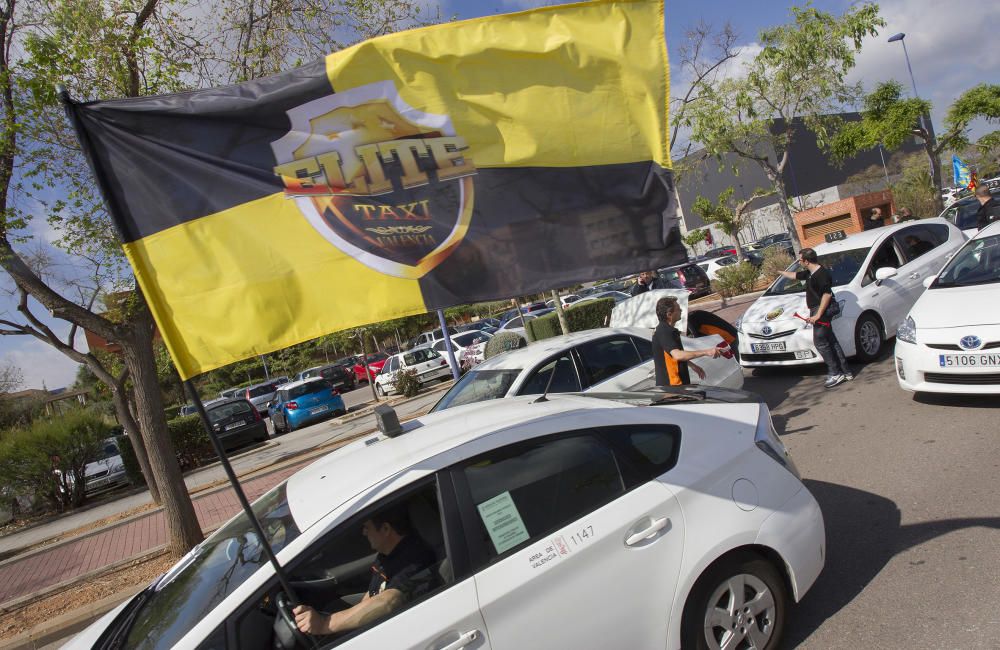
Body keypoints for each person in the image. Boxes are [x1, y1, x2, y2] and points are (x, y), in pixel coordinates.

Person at [294, 507, 438, 637]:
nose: (363, 532)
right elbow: (374, 593)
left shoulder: (414, 560)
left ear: (386, 529)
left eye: (367, 527)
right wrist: (349, 621)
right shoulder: (386, 554)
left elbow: (388, 601)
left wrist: (326, 624)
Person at [778, 248, 852, 388]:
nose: (799, 262)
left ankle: (836, 373)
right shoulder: (809, 273)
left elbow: (827, 295)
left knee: (820, 343)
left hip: (821, 310)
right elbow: (794, 275)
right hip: (816, 310)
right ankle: (846, 371)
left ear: (806, 261)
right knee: (831, 341)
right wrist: (780, 273)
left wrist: (818, 315)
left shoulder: (821, 274)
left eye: (800, 259)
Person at [651, 296, 720, 386]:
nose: (681, 311)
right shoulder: (664, 331)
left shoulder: (667, 330)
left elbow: (672, 355)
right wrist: (707, 352)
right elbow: (677, 355)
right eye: (678, 309)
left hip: (677, 385)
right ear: (669, 315)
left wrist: (693, 366)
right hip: (673, 388)